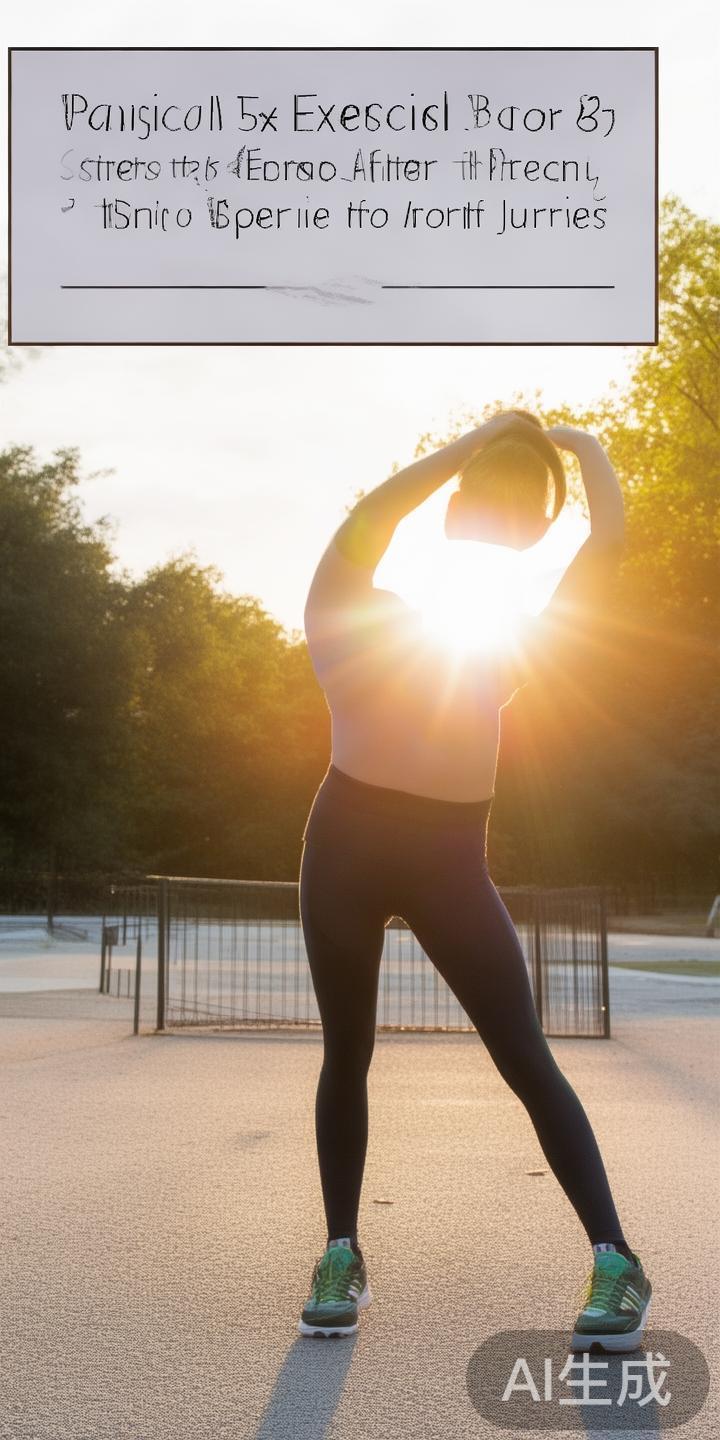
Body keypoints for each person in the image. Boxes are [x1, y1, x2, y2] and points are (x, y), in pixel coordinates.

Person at [297, 410, 652, 1350]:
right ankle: (342, 1249)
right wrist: (472, 448)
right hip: (344, 849)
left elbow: (604, 554)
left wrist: (586, 454)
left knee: (525, 1055)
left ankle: (617, 1260)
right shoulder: (343, 611)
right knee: (348, 1052)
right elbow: (371, 514)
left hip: (450, 859)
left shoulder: (492, 654)